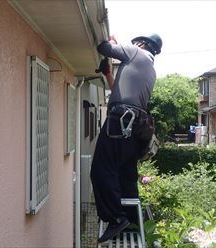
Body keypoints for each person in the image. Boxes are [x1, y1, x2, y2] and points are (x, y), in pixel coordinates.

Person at [90, 33, 162, 243]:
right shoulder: (150, 69)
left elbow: (104, 47)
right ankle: (129, 219)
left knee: (101, 170)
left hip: (119, 123)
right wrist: (108, 75)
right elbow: (120, 92)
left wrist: (113, 42)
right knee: (124, 175)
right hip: (134, 129)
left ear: (142, 44)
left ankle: (116, 218)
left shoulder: (135, 52)